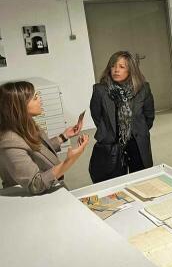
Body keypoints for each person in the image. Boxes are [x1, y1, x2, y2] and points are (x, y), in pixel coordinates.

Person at [0, 81, 89, 195]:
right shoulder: (9, 142)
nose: (40, 100)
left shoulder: (26, 124)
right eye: (35, 98)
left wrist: (64, 136)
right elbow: (35, 184)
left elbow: (36, 149)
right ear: (19, 106)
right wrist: (69, 161)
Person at [89, 51, 155, 183]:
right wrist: (108, 132)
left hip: (137, 142)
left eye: (121, 67)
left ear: (130, 70)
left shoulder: (143, 88)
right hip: (111, 144)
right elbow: (96, 116)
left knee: (141, 181)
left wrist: (137, 130)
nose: (116, 70)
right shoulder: (100, 90)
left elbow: (149, 116)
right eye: (113, 66)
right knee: (115, 183)